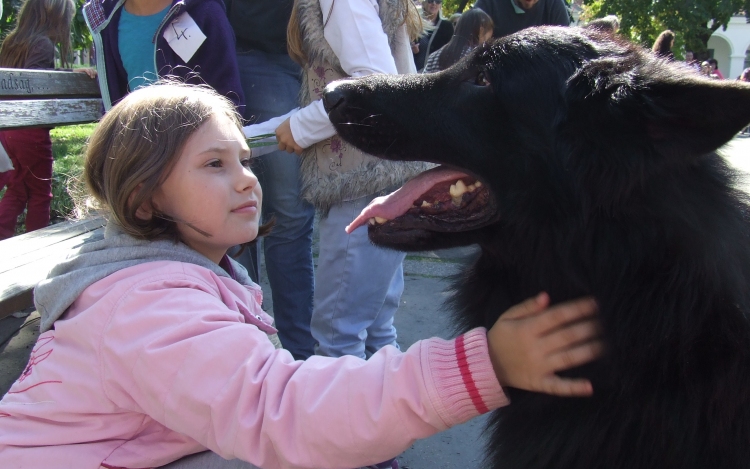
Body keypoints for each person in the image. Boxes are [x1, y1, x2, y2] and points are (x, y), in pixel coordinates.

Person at [0, 82, 604, 469]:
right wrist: (482, 366)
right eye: (214, 165)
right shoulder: (145, 306)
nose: (245, 179)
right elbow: (278, 411)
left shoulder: (177, 278)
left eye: (244, 158)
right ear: (144, 203)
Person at [278, 0, 434, 379]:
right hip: (386, 171)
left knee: (339, 335)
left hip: (361, 177)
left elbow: (372, 85)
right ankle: (388, 427)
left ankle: (339, 437)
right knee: (376, 327)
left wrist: (301, 127)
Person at [224, 0, 317, 360]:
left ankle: (288, 351)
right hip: (254, 51)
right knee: (278, 215)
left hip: (303, 57)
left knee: (285, 218)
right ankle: (257, 344)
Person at [0, 0, 96, 239]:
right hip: (31, 130)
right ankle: (37, 241)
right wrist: (65, 77)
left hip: (8, 129)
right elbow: (36, 83)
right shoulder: (42, 45)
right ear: (56, 19)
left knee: (19, 189)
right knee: (41, 193)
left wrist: (64, 73)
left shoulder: (13, 41)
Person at [82, 0, 243, 111]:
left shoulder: (203, 12)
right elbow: (114, 100)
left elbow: (228, 98)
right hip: (139, 151)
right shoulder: (106, 21)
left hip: (195, 149)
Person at [423, 7, 494, 73]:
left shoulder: (434, 56)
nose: (489, 39)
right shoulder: (478, 58)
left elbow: (423, 85)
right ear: (481, 30)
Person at [473, 0, 569, 39]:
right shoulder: (488, 3)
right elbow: (470, 45)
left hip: (540, 76)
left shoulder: (555, 6)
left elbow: (566, 52)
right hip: (495, 75)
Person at [412, 0, 454, 71]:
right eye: (430, 1)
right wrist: (413, 51)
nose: (434, 4)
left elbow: (450, 52)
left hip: (435, 72)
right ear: (424, 3)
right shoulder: (415, 23)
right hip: (413, 71)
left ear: (440, 5)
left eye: (438, 1)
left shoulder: (447, 26)